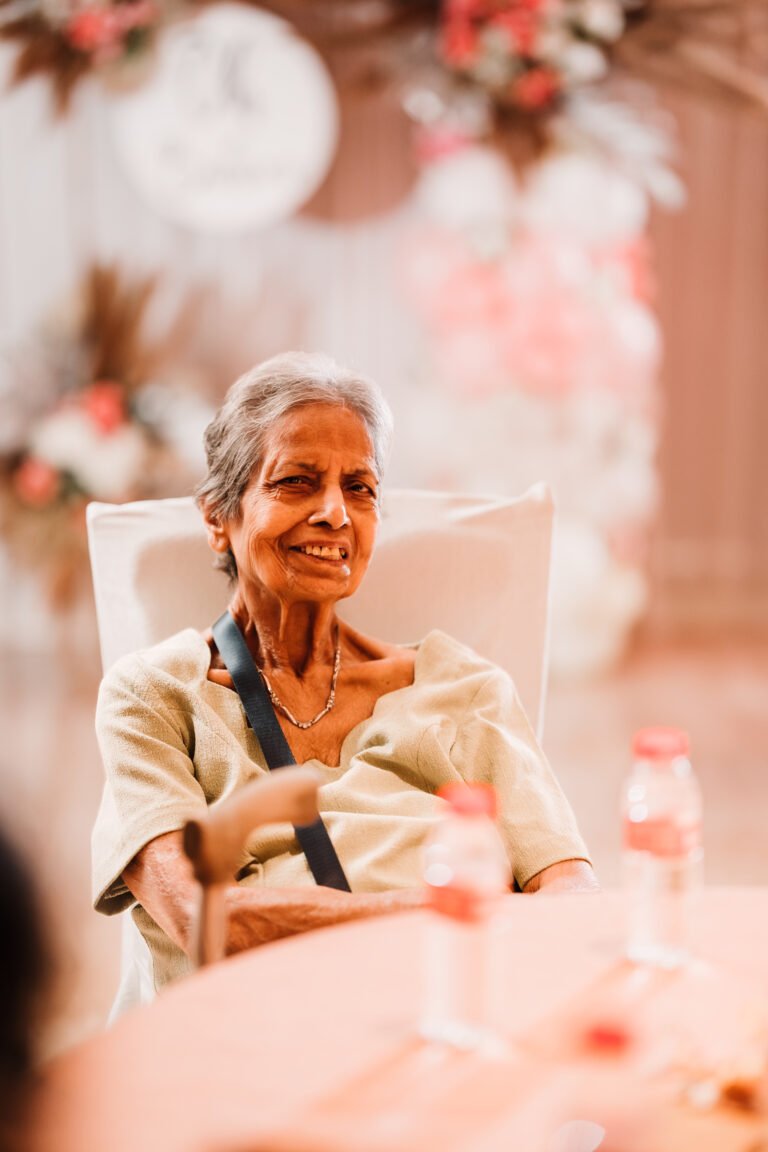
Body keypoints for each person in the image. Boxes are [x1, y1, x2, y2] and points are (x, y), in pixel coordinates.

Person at [92, 351, 597, 992]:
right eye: (297, 481)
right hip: (257, 1030)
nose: (335, 512)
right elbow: (202, 917)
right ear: (219, 519)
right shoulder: (155, 697)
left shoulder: (462, 689)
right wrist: (437, 908)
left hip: (450, 1008)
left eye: (359, 488)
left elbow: (569, 893)